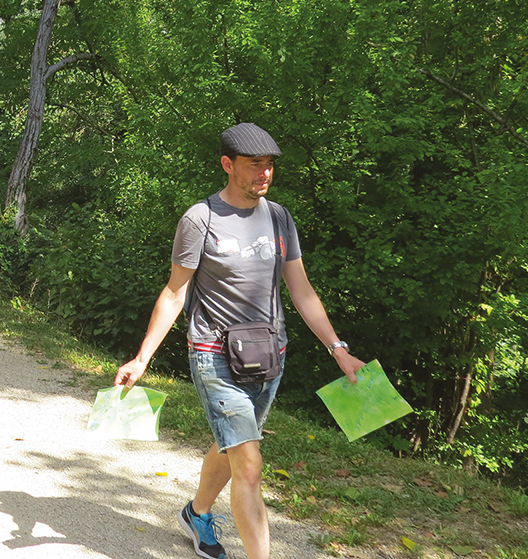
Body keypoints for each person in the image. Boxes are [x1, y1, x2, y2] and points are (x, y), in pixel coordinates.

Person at [114, 123, 365, 559]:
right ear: (228, 165)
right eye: (254, 166)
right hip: (215, 355)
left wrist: (338, 349)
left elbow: (302, 291)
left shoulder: (279, 217)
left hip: (270, 355)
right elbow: (175, 293)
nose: (264, 174)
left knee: (232, 443)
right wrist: (142, 357)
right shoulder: (200, 219)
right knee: (249, 466)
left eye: (269, 166)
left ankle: (197, 512)